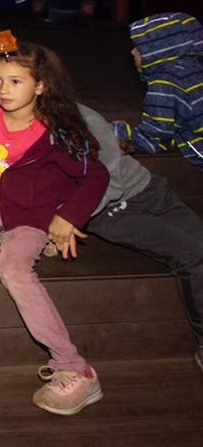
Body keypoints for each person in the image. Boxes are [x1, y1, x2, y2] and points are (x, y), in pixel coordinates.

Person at [0, 43, 109, 416]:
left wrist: (68, 217)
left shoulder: (56, 131)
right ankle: (14, 243)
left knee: (14, 270)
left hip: (31, 213)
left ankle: (73, 367)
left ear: (41, 85)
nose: (3, 89)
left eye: (16, 81)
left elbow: (95, 174)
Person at [75, 102, 203, 374]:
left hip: (148, 188)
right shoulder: (28, 129)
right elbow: (105, 187)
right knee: (193, 254)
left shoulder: (81, 116)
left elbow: (113, 171)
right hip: (109, 211)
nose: (5, 90)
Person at [114, 12, 203, 171]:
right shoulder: (194, 71)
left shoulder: (164, 83)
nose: (132, 52)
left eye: (139, 48)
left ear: (158, 52)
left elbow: (156, 134)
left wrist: (118, 132)